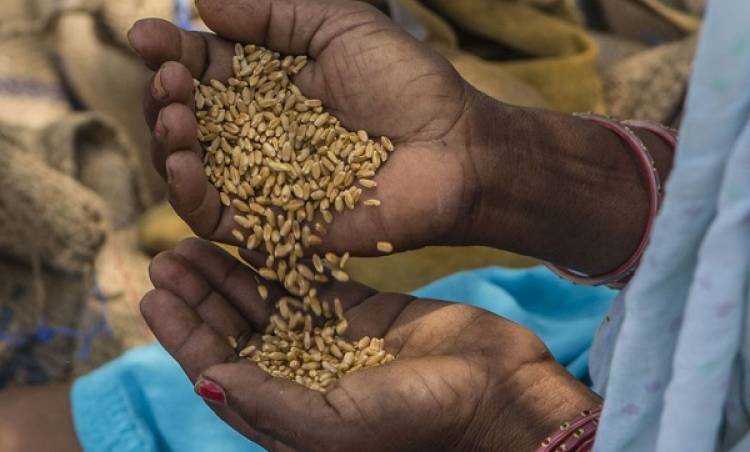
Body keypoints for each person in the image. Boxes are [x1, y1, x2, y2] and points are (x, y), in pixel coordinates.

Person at [2, 0, 712, 450]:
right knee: (92, 414)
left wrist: (512, 422)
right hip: (631, 324)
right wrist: (501, 163)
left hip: (608, 407)